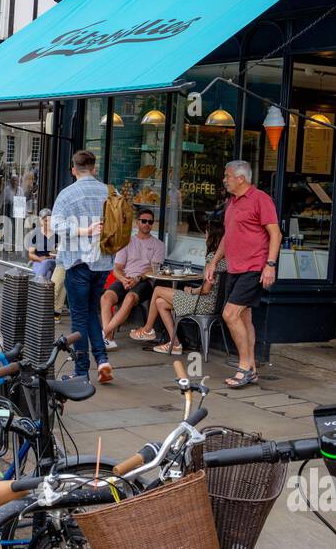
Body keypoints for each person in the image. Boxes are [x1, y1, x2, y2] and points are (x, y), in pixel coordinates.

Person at [204, 161, 281, 388]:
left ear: (241, 178)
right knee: (244, 317)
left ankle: (244, 366)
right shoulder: (232, 202)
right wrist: (214, 262)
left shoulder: (261, 199)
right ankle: (252, 369)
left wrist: (270, 264)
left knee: (230, 314)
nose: (224, 180)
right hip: (234, 268)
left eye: (227, 176)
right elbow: (229, 235)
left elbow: (275, 234)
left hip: (254, 266)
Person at [50, 148, 113, 383]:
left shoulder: (67, 195)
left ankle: (81, 371)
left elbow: (56, 226)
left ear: (73, 170)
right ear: (94, 168)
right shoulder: (109, 192)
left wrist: (82, 231)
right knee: (91, 312)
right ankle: (103, 360)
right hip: (103, 262)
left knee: (78, 317)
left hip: (77, 262)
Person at [133, 217, 227, 355]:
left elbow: (206, 289)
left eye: (206, 233)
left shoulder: (211, 259)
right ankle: (175, 344)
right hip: (215, 304)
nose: (204, 236)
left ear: (211, 236)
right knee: (160, 302)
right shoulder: (225, 259)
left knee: (158, 289)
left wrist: (192, 291)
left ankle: (147, 329)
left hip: (203, 304)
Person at [99, 210, 165, 350]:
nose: (147, 224)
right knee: (106, 298)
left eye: (150, 222)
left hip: (144, 281)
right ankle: (108, 338)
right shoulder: (127, 241)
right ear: (137, 222)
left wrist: (137, 279)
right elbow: (117, 268)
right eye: (144, 221)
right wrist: (123, 279)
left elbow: (153, 270)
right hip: (126, 278)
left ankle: (104, 334)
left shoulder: (158, 245)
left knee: (129, 298)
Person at [28, 209, 57, 281]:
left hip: (53, 261)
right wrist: (40, 259)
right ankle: (41, 288)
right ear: (40, 221)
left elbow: (59, 250)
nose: (47, 223)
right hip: (38, 261)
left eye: (49, 220)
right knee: (48, 273)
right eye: (45, 220)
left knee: (47, 263)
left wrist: (55, 254)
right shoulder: (36, 233)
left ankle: (36, 285)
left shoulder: (56, 233)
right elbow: (31, 254)